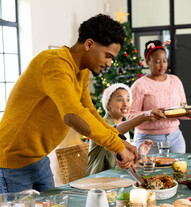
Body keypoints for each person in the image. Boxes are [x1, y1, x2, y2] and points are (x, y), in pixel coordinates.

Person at [0, 14, 137, 193]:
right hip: (12, 164)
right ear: (89, 44)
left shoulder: (82, 71)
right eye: (107, 56)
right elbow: (73, 115)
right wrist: (116, 146)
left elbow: (89, 111)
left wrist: (119, 139)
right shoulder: (54, 63)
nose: (109, 63)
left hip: (40, 159)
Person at [128, 40, 191, 154]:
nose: (162, 65)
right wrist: (150, 114)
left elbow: (181, 108)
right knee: (151, 171)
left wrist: (188, 112)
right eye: (158, 61)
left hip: (175, 138)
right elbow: (130, 116)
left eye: (164, 61)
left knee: (178, 170)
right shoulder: (139, 85)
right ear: (148, 62)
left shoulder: (175, 81)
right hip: (148, 140)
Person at [86, 83, 165, 176]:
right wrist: (144, 116)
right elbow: (113, 132)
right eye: (119, 99)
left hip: (116, 178)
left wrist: (139, 154)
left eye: (128, 100)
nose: (125, 104)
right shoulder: (101, 125)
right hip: (98, 181)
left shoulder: (124, 128)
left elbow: (123, 162)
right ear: (108, 104)